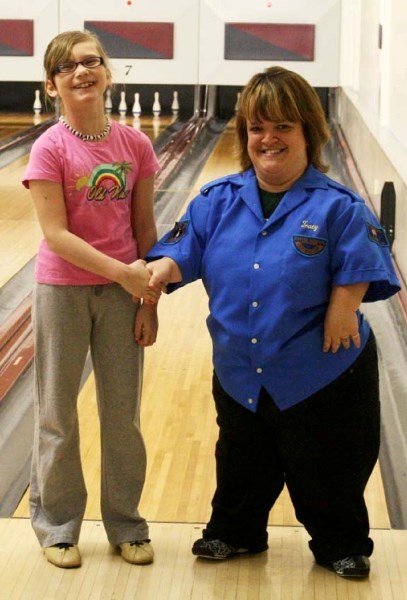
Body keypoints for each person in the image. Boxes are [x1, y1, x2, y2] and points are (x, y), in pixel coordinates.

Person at [144, 66, 401, 578]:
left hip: (322, 366)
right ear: (245, 136)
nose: (268, 138)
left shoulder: (337, 205)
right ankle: (234, 533)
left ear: (309, 130)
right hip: (241, 364)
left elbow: (365, 263)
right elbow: (181, 252)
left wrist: (342, 308)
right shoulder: (217, 201)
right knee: (242, 459)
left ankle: (340, 544)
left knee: (326, 468)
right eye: (258, 127)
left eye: (283, 126)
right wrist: (158, 272)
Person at [22, 30, 161, 569]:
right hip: (62, 290)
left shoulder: (136, 146)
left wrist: (148, 298)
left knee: (122, 415)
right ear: (52, 85)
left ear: (106, 72)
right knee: (57, 412)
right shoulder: (50, 147)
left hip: (126, 292)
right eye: (67, 67)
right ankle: (57, 526)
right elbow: (56, 234)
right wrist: (124, 275)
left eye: (91, 61)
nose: (82, 71)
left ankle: (126, 524)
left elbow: (145, 226)